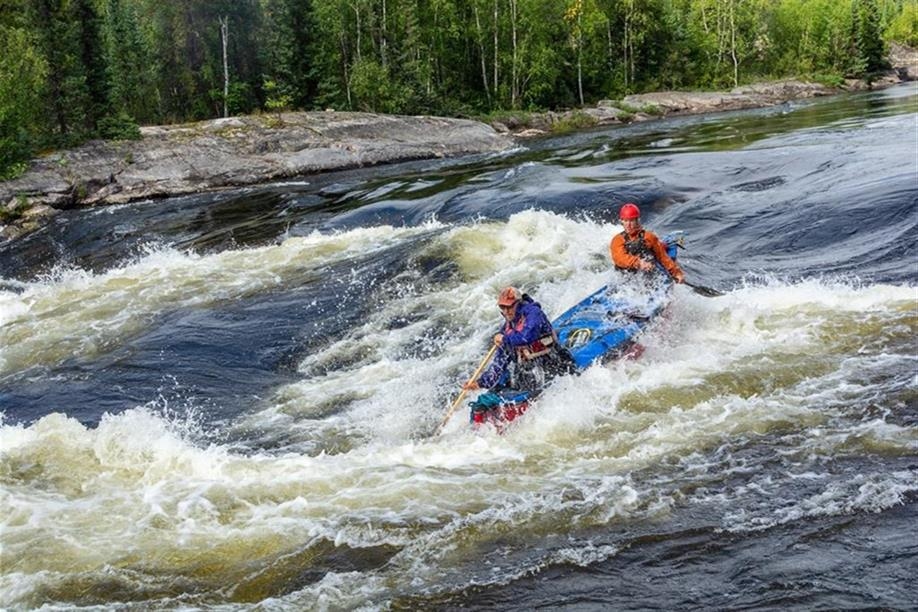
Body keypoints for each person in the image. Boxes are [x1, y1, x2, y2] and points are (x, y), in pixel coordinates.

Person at [463, 286, 573, 394]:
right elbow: (501, 358)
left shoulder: (534, 313)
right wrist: (481, 383)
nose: (505, 312)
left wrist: (504, 339)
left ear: (518, 303)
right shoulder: (510, 323)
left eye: (509, 307)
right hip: (529, 368)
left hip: (552, 361)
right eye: (502, 307)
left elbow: (526, 337)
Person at [610, 203, 685, 283]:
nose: (628, 225)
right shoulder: (617, 240)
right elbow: (619, 258)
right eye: (625, 221)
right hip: (626, 276)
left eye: (631, 220)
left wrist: (677, 273)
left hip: (647, 274)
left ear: (637, 220)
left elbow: (663, 257)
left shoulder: (649, 237)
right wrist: (638, 263)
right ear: (622, 221)